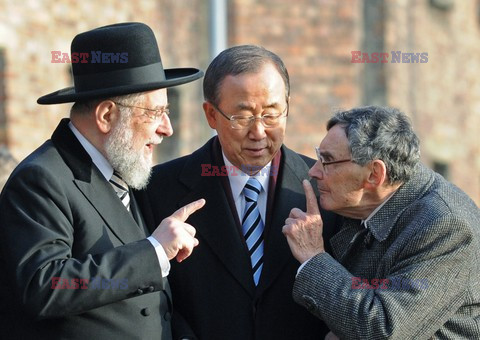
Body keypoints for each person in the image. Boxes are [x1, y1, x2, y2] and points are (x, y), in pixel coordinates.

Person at [0, 22, 205, 339]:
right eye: (154, 113)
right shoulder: (40, 179)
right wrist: (153, 252)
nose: (167, 128)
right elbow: (46, 285)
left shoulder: (122, 170)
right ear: (107, 116)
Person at [138, 45, 338, 340]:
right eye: (242, 117)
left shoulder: (326, 189)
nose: (258, 132)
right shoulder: (158, 189)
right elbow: (152, 298)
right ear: (211, 115)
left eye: (272, 115)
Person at [282, 105, 480, 339]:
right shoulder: (360, 202)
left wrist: (313, 257)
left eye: (327, 161)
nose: (313, 171)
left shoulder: (446, 226)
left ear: (374, 174)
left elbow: (384, 330)